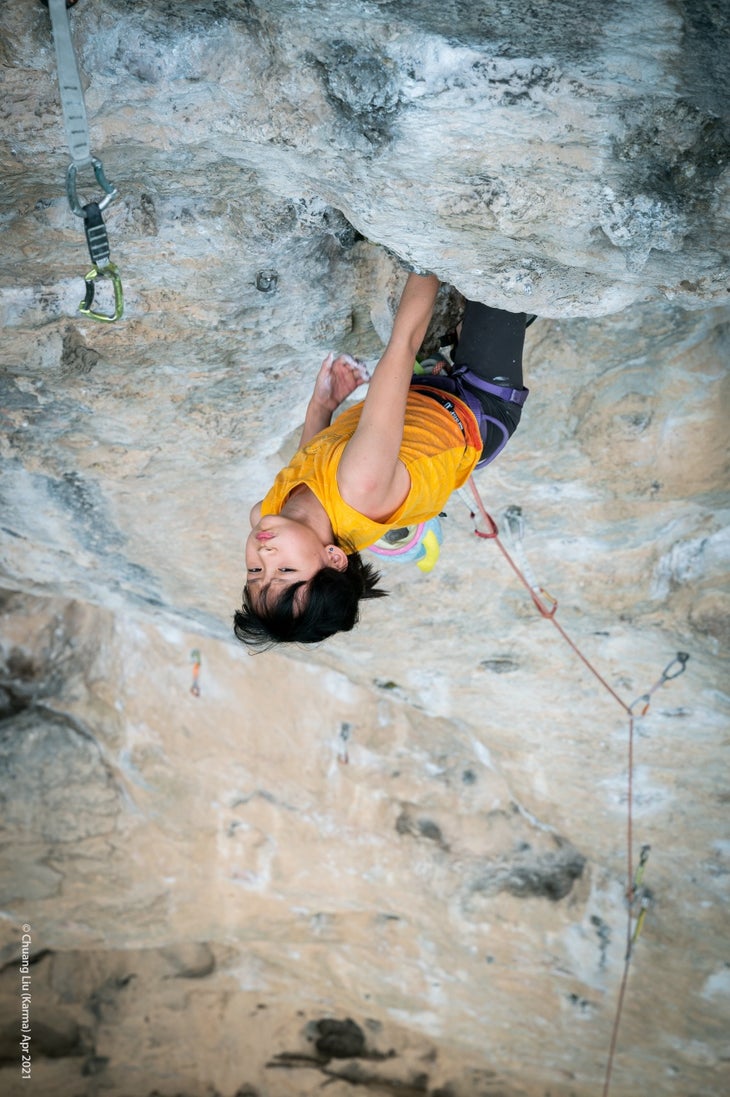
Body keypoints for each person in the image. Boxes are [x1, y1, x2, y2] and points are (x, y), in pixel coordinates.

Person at [234, 272, 530, 650]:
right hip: (477, 411)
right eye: (286, 570)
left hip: (420, 398)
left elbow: (305, 471)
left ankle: (459, 337)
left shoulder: (269, 517)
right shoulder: (360, 485)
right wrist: (426, 258)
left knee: (451, 313)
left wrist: (322, 406)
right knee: (502, 275)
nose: (264, 554)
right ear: (334, 558)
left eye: (255, 572)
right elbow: (402, 346)